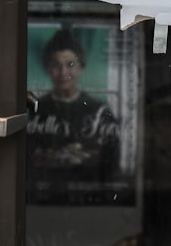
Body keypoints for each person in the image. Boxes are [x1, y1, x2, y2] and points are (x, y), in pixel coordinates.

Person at [26, 27, 121, 204]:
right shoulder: (35, 109)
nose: (63, 73)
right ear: (48, 68)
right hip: (41, 200)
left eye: (70, 64)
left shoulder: (100, 112)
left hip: (89, 200)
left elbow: (111, 164)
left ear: (81, 68)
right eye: (56, 65)